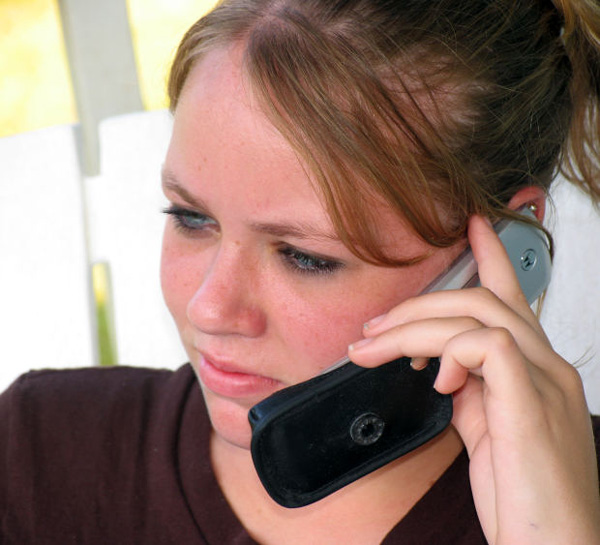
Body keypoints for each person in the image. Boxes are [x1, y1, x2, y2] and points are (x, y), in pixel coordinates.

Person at [2, 0, 600, 543]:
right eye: (189, 217)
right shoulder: (39, 452)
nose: (209, 308)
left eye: (305, 257)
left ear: (502, 251)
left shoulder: (574, 513)